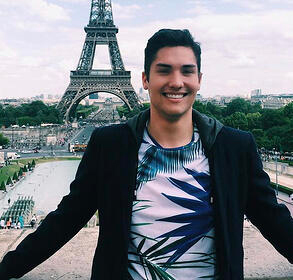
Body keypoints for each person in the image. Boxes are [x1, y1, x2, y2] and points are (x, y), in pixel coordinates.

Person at [0, 28, 292, 280]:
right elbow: (67, 219)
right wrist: (8, 267)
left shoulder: (236, 147)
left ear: (199, 79)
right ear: (144, 79)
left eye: (186, 71)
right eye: (164, 70)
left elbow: (272, 219)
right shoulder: (109, 144)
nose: (176, 81)